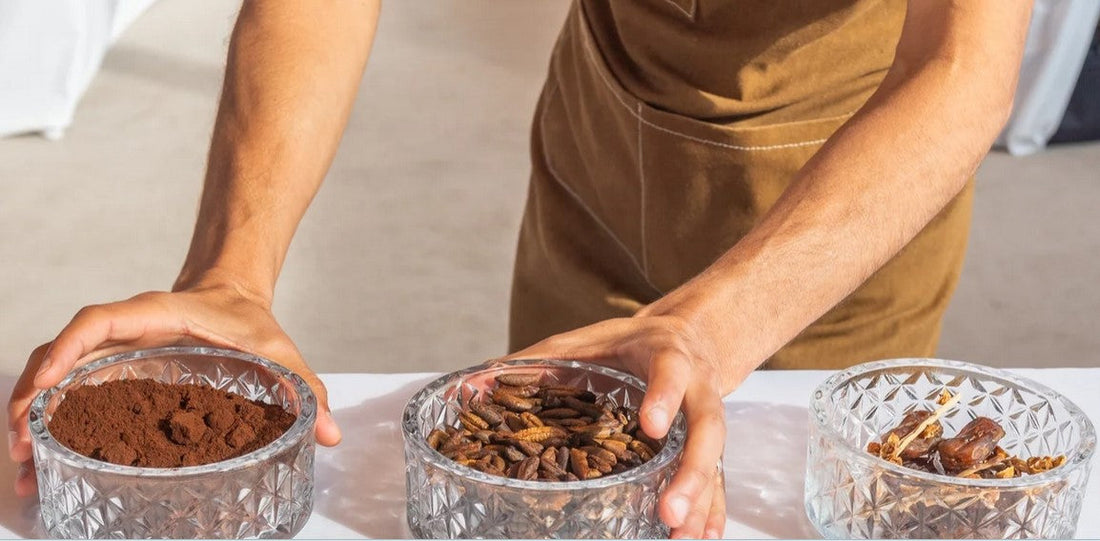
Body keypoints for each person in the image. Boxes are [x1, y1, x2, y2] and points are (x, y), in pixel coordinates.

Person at [7, 0, 1032, 537]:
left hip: (828, 194)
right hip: (601, 128)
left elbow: (960, 66)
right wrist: (230, 273)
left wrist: (715, 325)